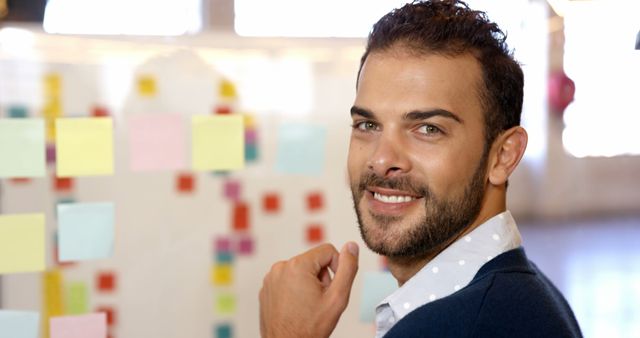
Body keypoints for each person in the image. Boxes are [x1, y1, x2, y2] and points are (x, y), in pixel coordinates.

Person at [259, 1, 583, 337]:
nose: (382, 160)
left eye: (428, 129)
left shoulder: (445, 327)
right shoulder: (522, 293)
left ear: (503, 156)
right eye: (368, 125)